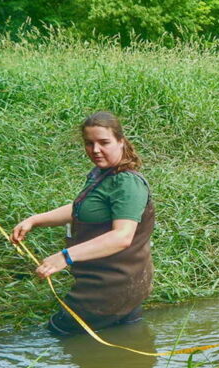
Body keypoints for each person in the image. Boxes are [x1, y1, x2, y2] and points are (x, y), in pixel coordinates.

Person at [11, 112, 155, 335]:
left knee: (53, 335)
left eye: (104, 142)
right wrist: (35, 220)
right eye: (89, 143)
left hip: (108, 290)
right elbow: (84, 208)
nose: (95, 150)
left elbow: (122, 237)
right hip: (120, 287)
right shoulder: (103, 173)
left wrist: (65, 256)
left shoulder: (127, 184)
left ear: (121, 141)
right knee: (125, 344)